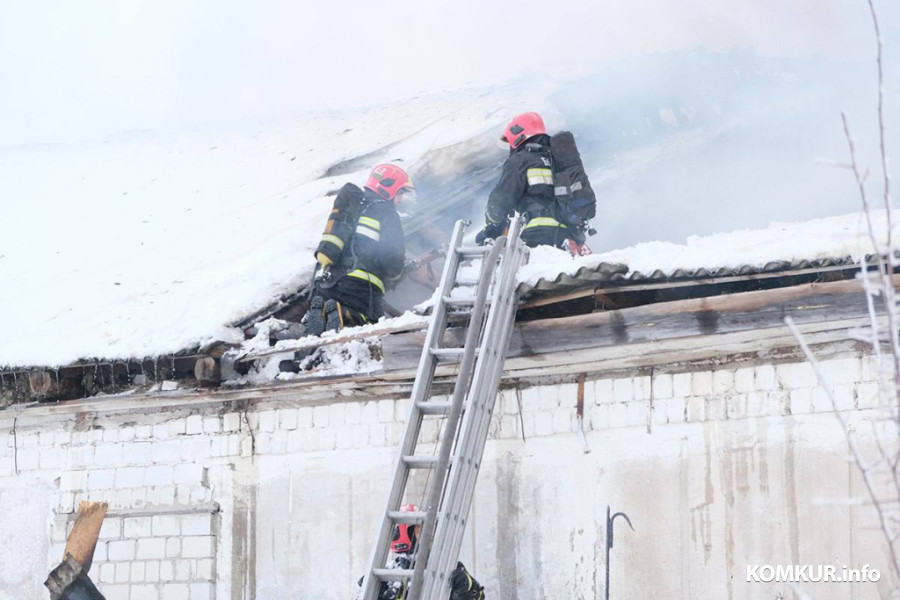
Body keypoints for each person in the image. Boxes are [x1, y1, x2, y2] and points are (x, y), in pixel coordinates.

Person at [475, 112, 572, 249]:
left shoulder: (520, 160)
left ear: (517, 134)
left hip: (538, 234)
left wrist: (490, 225)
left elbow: (502, 198)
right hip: (568, 233)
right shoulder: (556, 159)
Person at [355, 504, 485, 600]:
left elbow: (479, 597)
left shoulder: (447, 567)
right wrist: (369, 593)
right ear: (406, 533)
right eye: (419, 528)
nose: (429, 533)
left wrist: (468, 589)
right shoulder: (389, 575)